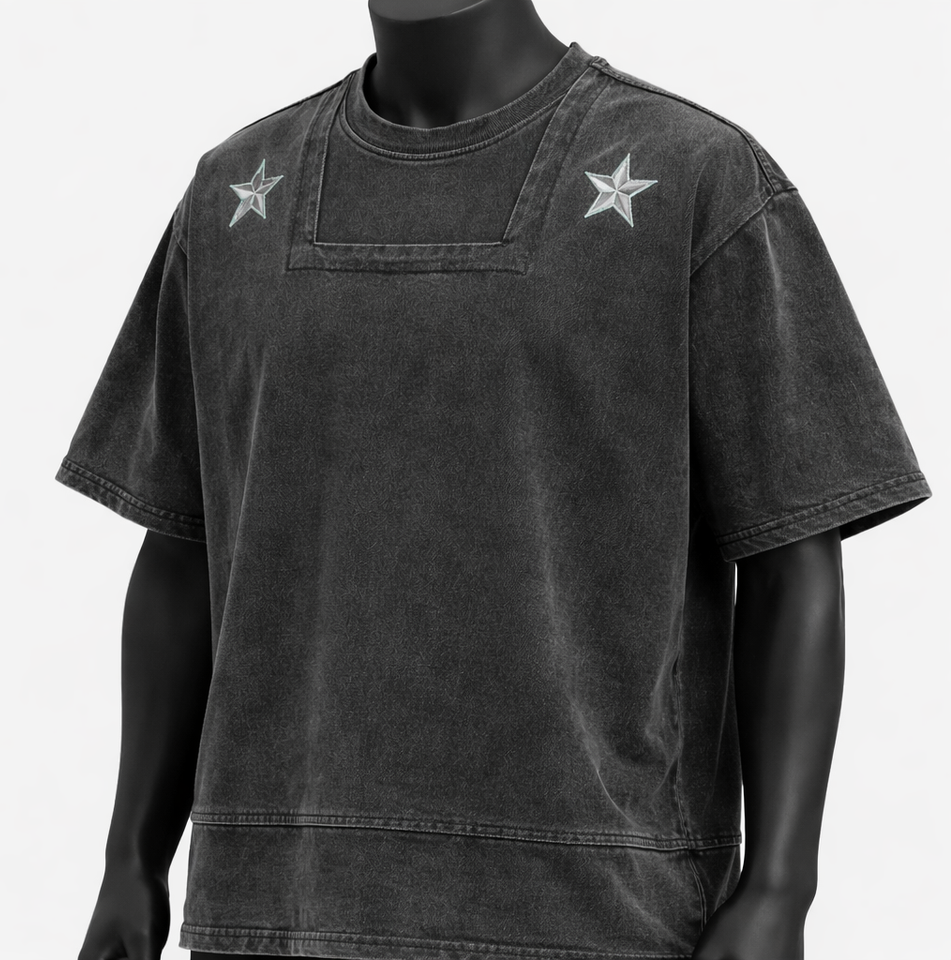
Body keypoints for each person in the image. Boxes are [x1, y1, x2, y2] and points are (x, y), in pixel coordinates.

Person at [57, 1, 932, 959]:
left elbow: (793, 551)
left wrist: (781, 886)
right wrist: (129, 861)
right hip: (275, 907)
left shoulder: (692, 179)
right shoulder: (235, 195)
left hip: (595, 911)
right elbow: (182, 548)